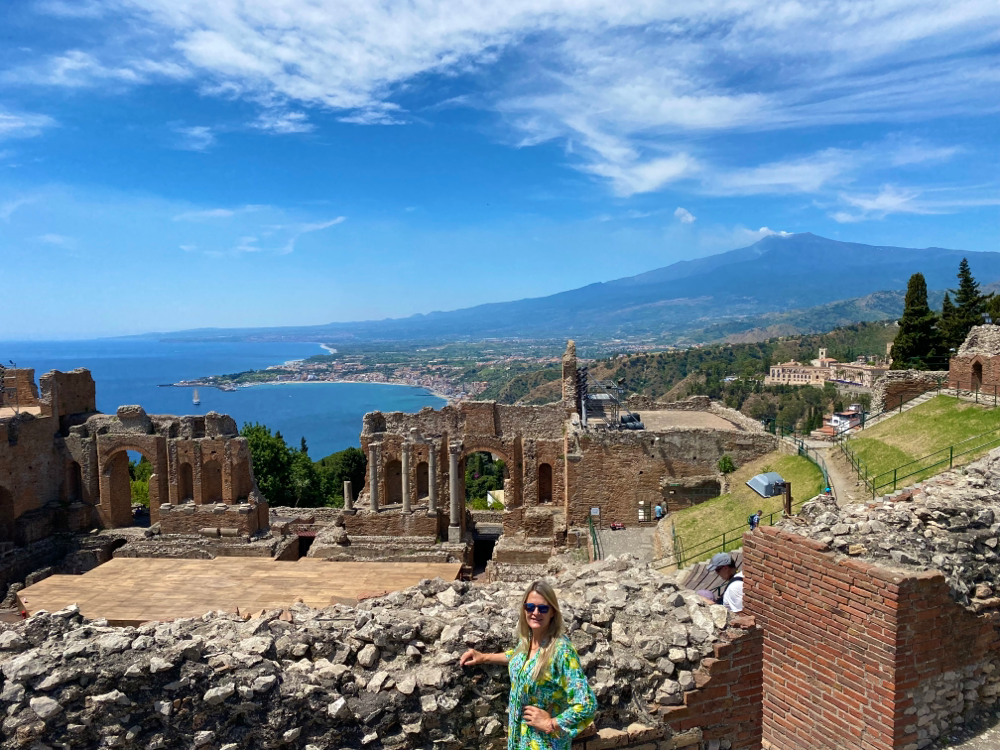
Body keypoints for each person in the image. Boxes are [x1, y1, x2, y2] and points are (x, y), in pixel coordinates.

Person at [460, 580, 597, 749]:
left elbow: (587, 704)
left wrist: (551, 723)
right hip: (520, 740)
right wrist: (484, 657)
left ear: (553, 611)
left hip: (545, 743)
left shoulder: (561, 651)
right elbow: (519, 658)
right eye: (530, 607)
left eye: (543, 608)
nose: (535, 612)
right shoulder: (528, 640)